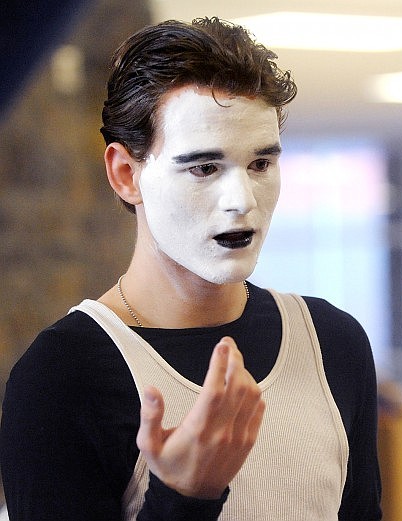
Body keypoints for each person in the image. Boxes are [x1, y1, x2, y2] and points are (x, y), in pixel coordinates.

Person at [0, 17, 382, 520]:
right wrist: (184, 497)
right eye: (204, 167)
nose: (241, 201)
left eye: (261, 164)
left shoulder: (333, 341)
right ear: (125, 175)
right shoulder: (61, 376)